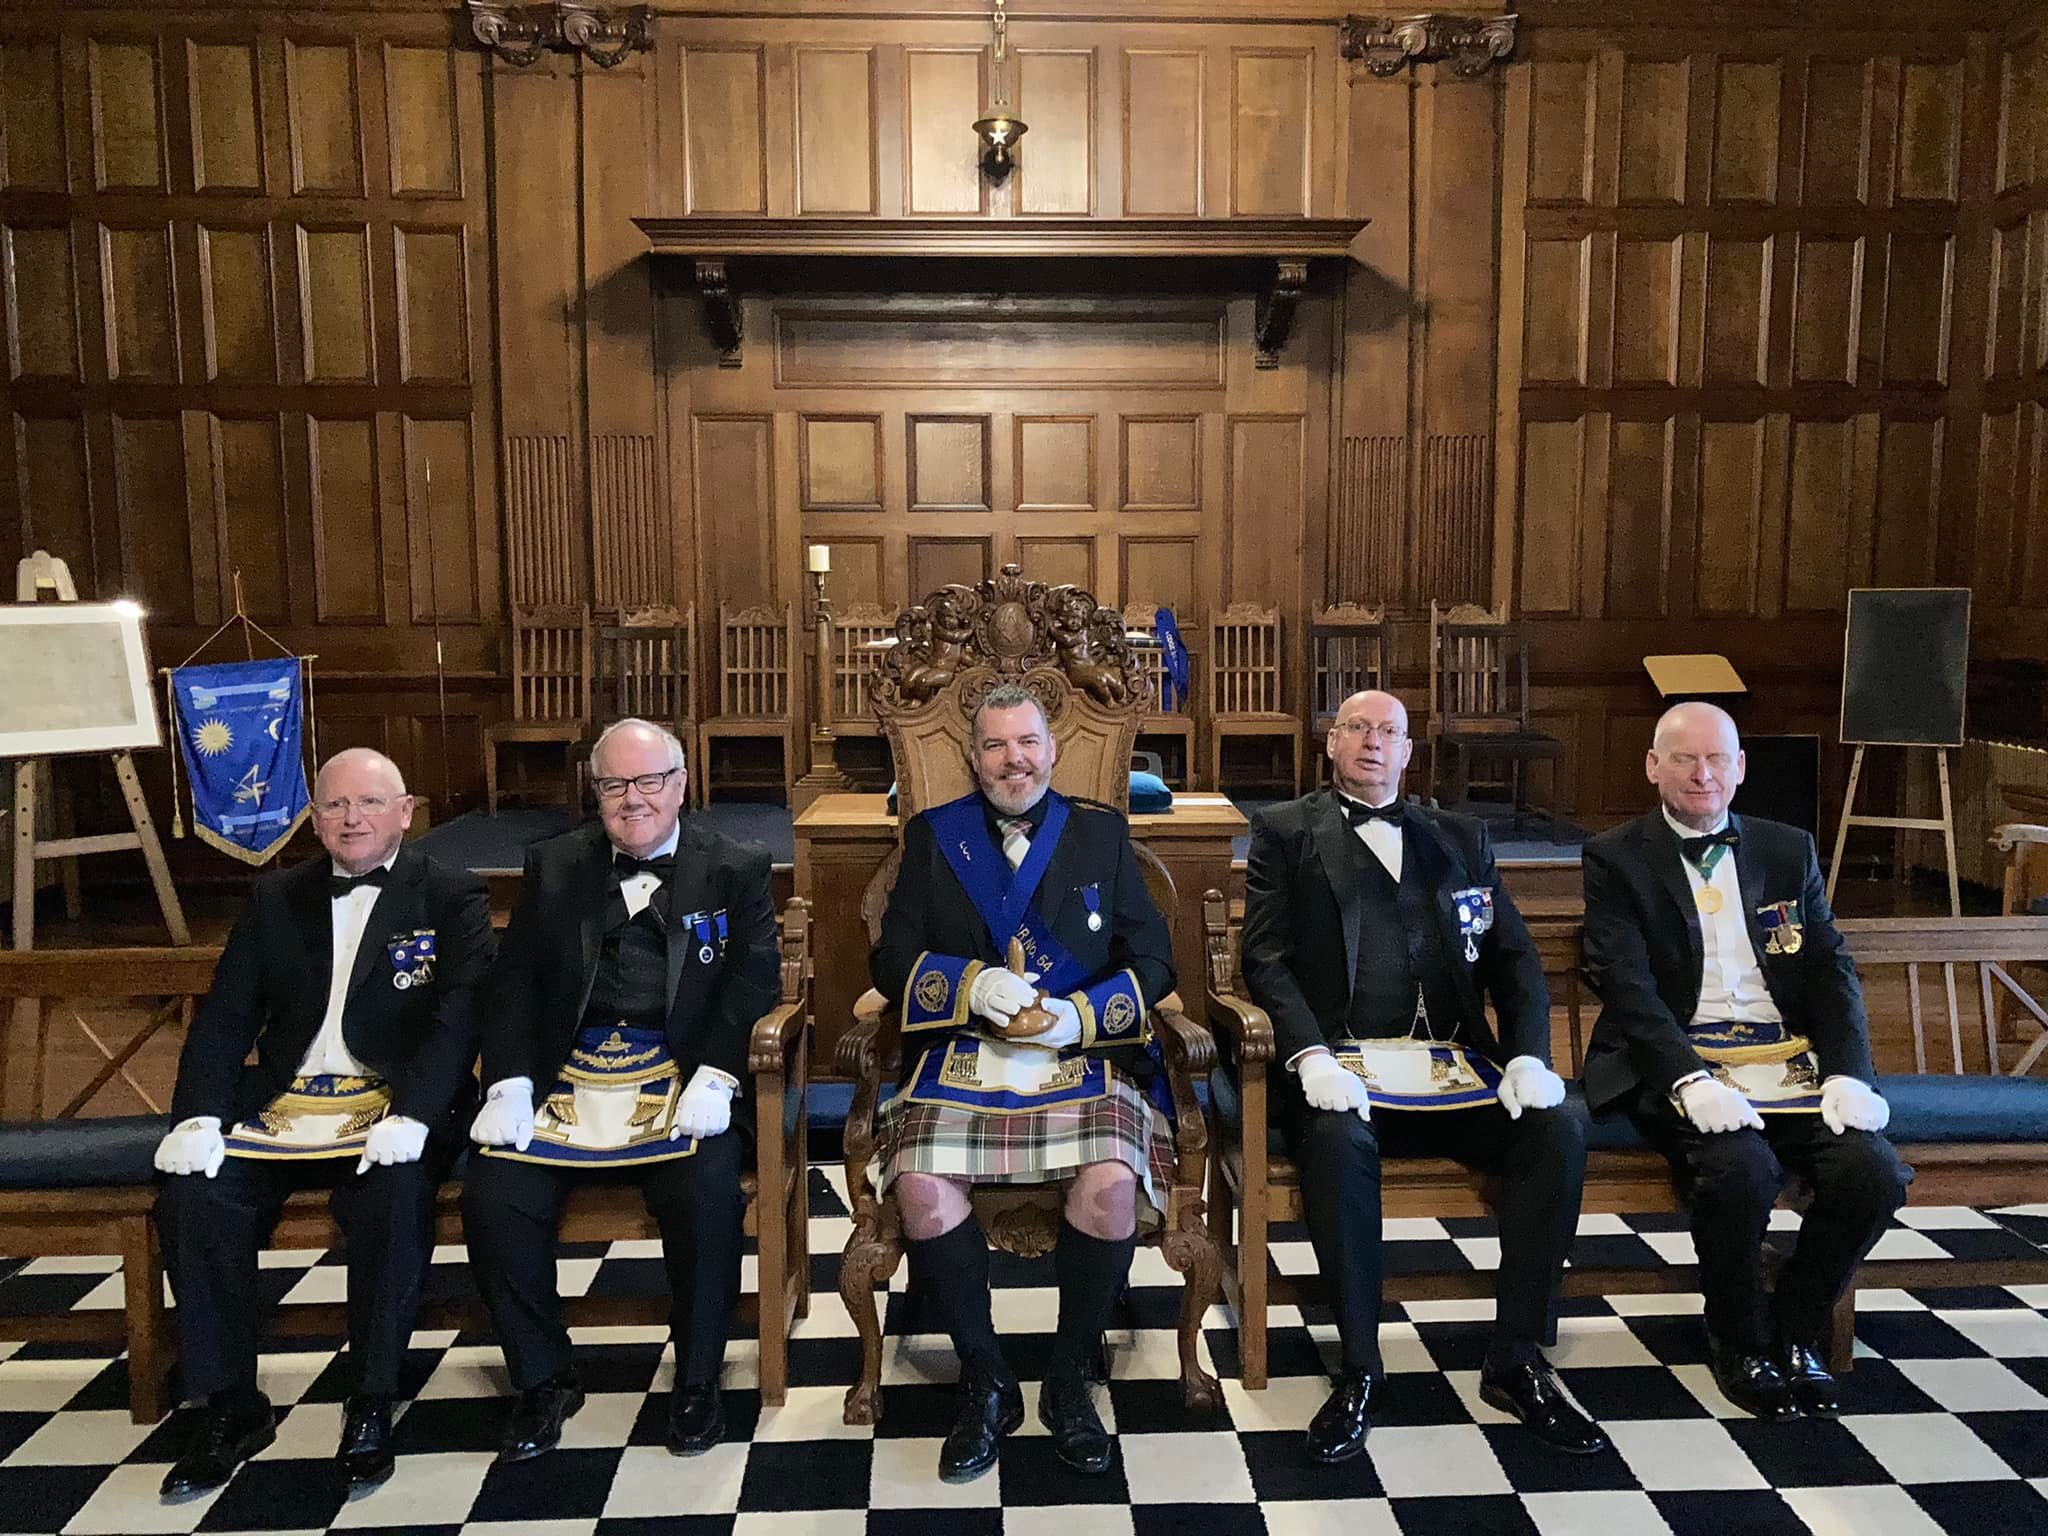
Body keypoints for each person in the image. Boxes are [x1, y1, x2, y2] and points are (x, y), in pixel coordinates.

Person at [1240, 689, 1604, 1464]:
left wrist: (1529, 1056)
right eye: (1357, 728)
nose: (1373, 742)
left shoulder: (1461, 837)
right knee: (1335, 1145)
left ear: (1409, 752)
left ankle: (1518, 1359)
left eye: (1389, 732)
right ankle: (1359, 1369)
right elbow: (1264, 959)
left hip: (1455, 1070)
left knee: (1558, 1127)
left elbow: (1513, 957)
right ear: (1331, 743)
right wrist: (1309, 1056)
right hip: (1343, 1072)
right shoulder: (1286, 831)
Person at [153, 748, 494, 1497]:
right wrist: (199, 1116)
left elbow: (458, 1019)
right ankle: (230, 1405)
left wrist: (416, 1114)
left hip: (392, 1107)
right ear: (314, 820)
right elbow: (227, 1017)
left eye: (369, 802)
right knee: (193, 1198)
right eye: (335, 805)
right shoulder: (276, 896)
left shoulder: (450, 893)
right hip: (285, 1105)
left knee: (393, 1200)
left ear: (405, 812)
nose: (352, 818)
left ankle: (370, 1399)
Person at [869, 682, 1175, 1483]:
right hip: (966, 1053)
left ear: (1053, 749)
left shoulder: (1101, 835)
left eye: (1028, 742)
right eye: (997, 746)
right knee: (921, 1181)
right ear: (973, 758)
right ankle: (986, 1377)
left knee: (1111, 1182)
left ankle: (1069, 1376)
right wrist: (969, 986)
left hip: (1081, 1052)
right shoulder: (935, 837)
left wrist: (1082, 1016)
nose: (1016, 761)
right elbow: (890, 959)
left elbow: (1154, 959)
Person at [462, 719, 780, 1464]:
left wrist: (719, 1073)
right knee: (493, 1192)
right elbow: (514, 984)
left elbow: (753, 979)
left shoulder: (735, 866)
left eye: (648, 781)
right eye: (614, 785)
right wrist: (508, 1080)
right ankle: (543, 1378)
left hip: (682, 1071)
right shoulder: (555, 864)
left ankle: (697, 1380)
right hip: (570, 1075)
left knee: (706, 1191)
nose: (633, 799)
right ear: (595, 791)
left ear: (680, 785)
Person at [1581, 701, 1910, 1419]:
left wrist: (1850, 1073)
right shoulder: (1616, 856)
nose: (1702, 774)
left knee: (1873, 1174)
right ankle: (1737, 1340)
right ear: (1653, 767)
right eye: (1684, 758)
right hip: (1679, 1060)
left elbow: (1828, 970)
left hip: (1786, 1061)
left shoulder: (1787, 849)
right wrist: (1689, 1080)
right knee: (1741, 1170)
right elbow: (1626, 986)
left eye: (1716, 759)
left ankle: (1792, 1329)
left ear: (1739, 768)